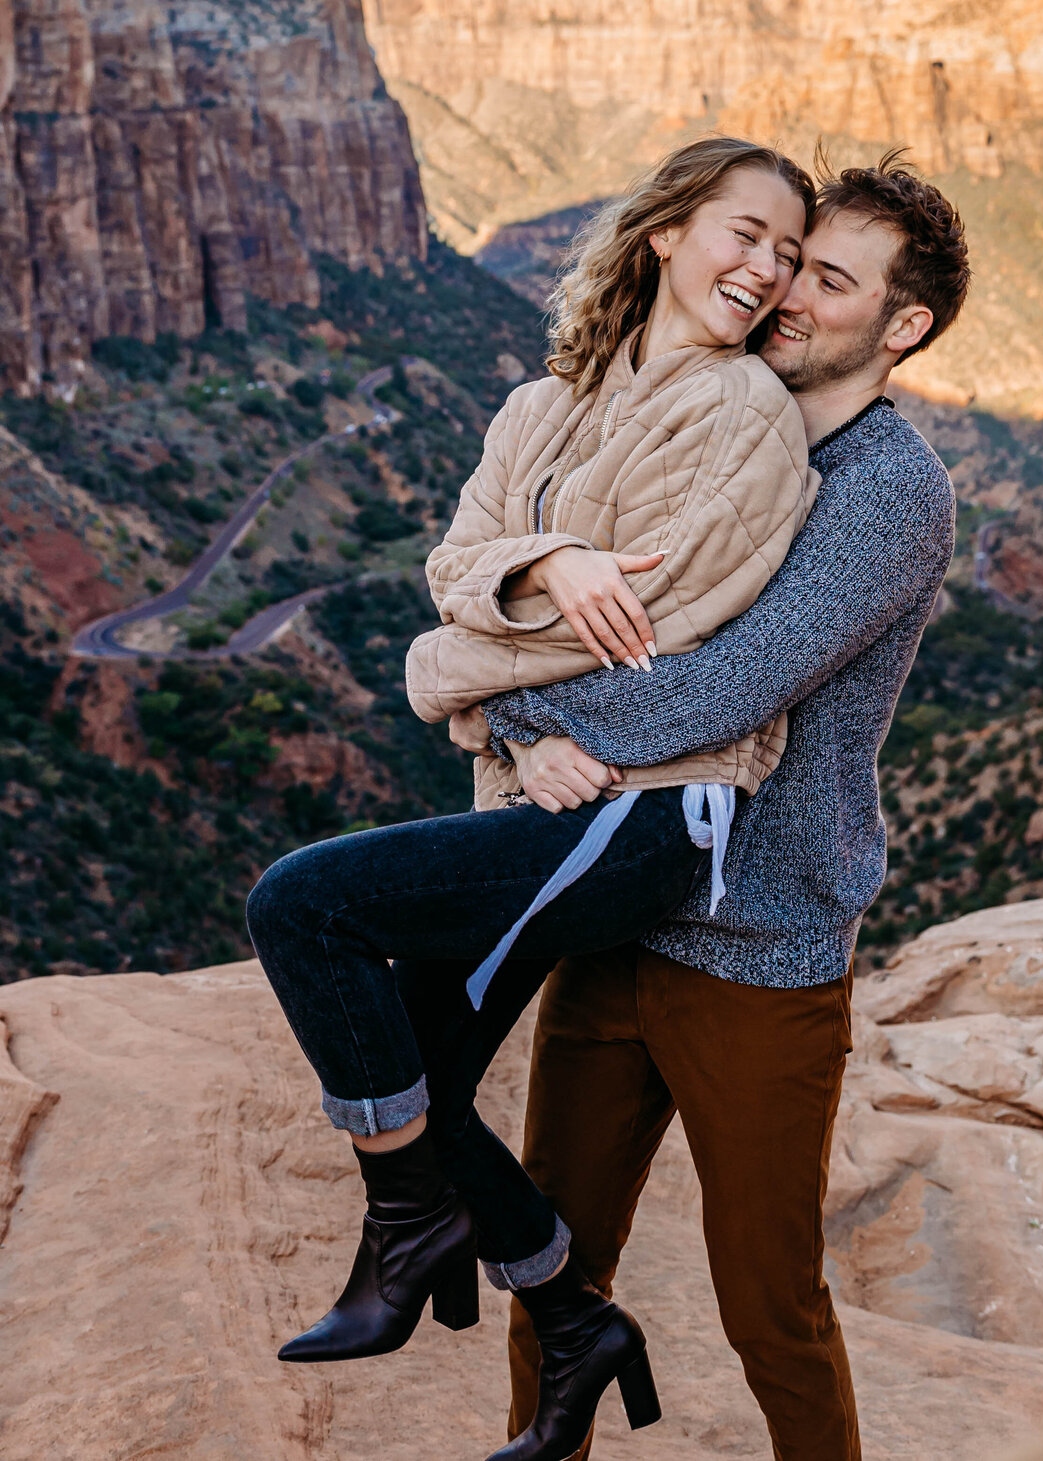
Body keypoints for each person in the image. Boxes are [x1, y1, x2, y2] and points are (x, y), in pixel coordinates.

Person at [245, 136, 818, 1461]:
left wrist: (461, 680)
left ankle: (412, 1231)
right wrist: (544, 570)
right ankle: (572, 1319)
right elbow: (458, 566)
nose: (767, 268)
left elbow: (666, 634)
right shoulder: (539, 405)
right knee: (420, 1086)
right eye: (746, 233)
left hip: (652, 813)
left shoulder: (743, 419)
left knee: (305, 902)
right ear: (668, 231)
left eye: (789, 253)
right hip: (546, 800)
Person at [466, 153, 971, 1461]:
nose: (789, 293)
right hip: (622, 905)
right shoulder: (711, 415)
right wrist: (527, 669)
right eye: (794, 263)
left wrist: (511, 702)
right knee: (554, 1265)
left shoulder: (889, 488)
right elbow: (540, 603)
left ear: (902, 326)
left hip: (759, 948)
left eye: (832, 280)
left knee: (770, 1305)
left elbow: (722, 689)